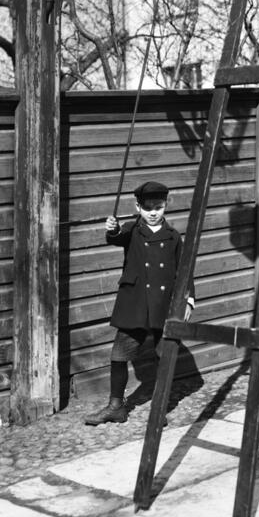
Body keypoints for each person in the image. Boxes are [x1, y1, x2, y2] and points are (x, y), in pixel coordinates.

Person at [85, 180, 194, 425]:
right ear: (137, 207)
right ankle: (116, 407)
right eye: (148, 208)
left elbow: (184, 271)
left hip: (162, 304)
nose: (153, 212)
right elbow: (115, 237)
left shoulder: (174, 237)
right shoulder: (132, 230)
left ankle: (160, 408)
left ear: (166, 205)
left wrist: (188, 299)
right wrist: (112, 229)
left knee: (163, 357)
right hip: (135, 303)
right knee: (119, 355)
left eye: (158, 207)